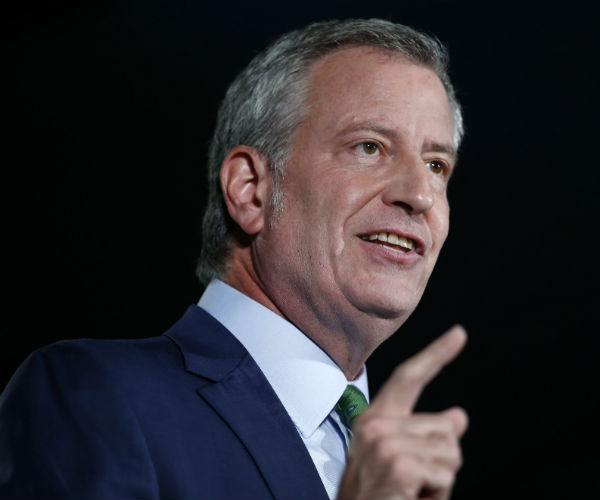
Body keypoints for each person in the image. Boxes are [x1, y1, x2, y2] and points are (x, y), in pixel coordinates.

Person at [0, 18, 468, 500]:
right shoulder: (97, 397)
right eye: (369, 147)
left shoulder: (406, 469)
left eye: (437, 165)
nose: (420, 195)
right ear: (250, 191)